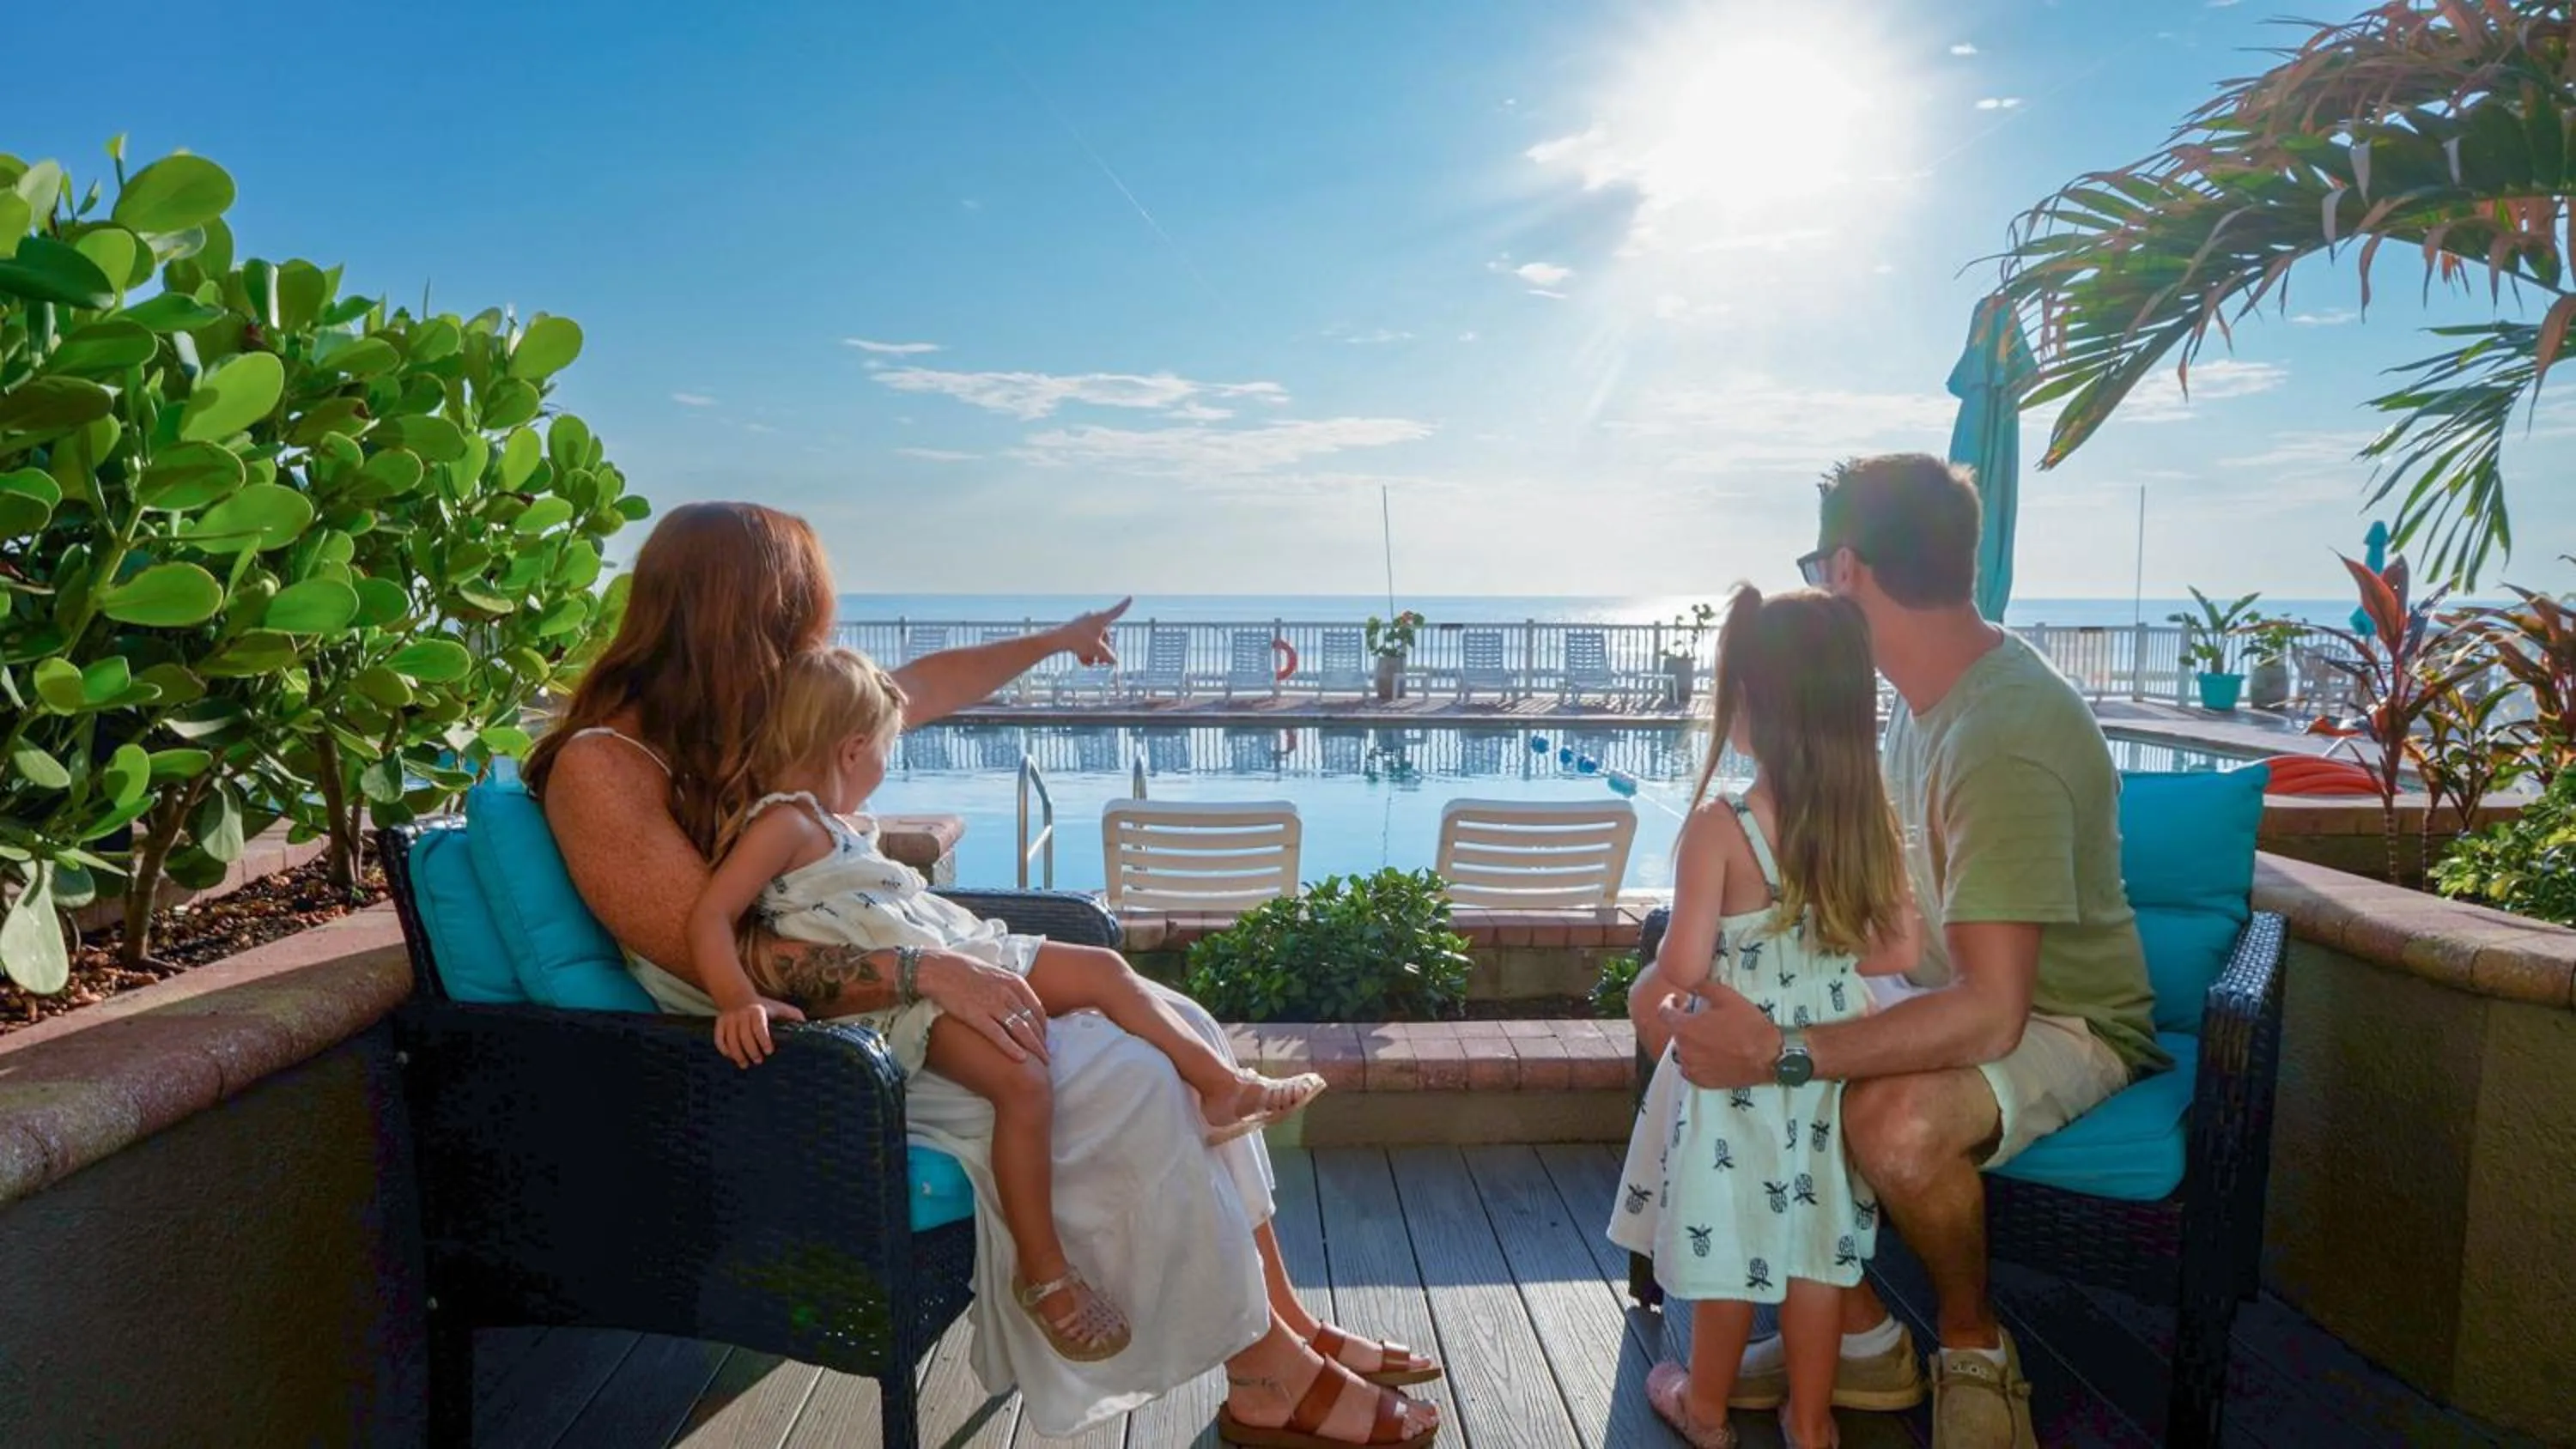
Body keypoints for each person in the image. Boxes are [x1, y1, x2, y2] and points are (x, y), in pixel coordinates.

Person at [526, 501, 1439, 1447]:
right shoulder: (606, 765)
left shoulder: (760, 719)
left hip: (898, 987)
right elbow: (726, 953)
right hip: (807, 1055)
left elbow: (922, 685)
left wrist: (1057, 638)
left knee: (1177, 1022)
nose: (820, 638)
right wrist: (924, 970)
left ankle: (1278, 1319)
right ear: (746, 617)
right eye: (804, 619)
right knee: (1131, 1074)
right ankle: (1268, 1370)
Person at [1636, 455, 2164, 1449]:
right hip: (1925, 985)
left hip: (2060, 1021)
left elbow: (1992, 1011)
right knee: (1705, 1032)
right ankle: (1865, 1333)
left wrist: (1782, 1047)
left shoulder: (2001, 735)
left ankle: (1971, 1342)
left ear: (1845, 568)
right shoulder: (1917, 707)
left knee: (1896, 1118)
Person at [685, 644, 1328, 1362]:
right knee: (1021, 1080)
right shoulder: (785, 824)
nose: (884, 771)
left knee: (1104, 969)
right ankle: (1044, 1271)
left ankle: (1222, 1087)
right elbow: (711, 918)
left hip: (961, 958)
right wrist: (737, 999)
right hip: (899, 1007)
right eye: (884, 755)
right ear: (853, 749)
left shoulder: (837, 827)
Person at [1610, 586, 1922, 1449]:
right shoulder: (1868, 822)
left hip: (1737, 1074)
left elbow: (1679, 967)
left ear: (1750, 703)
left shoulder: (1722, 824)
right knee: (1815, 1251)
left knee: (1730, 1251)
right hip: (1820, 1068)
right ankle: (1812, 1419)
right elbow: (1898, 949)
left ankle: (1703, 1411)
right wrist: (1817, 957)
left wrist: (1703, 971)